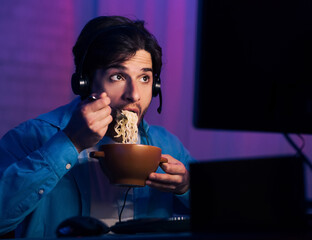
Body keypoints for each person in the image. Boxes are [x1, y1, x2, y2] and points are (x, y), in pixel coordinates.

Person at [0, 16, 194, 238]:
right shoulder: (31, 137)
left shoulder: (168, 146)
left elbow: (226, 213)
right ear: (85, 82)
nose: (134, 94)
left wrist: (186, 188)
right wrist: (70, 142)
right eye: (118, 76)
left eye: (144, 78)